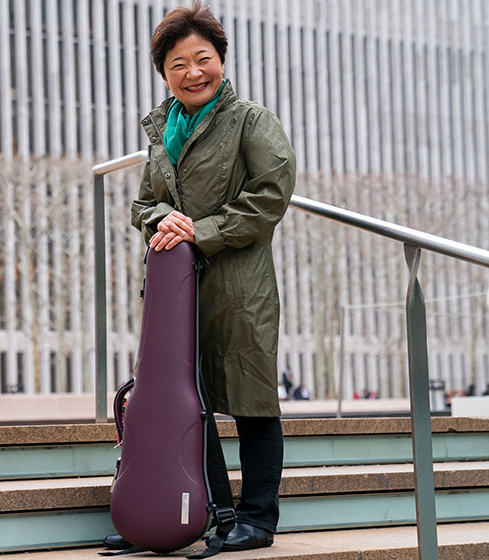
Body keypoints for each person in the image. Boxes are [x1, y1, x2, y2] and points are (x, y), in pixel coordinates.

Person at [104, 1, 296, 553]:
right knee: (189, 399)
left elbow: (270, 197)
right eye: (177, 64)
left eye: (202, 59)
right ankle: (214, 511)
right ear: (163, 73)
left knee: (253, 400)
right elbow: (146, 203)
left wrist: (199, 230)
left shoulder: (251, 120)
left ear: (221, 60)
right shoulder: (161, 129)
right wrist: (163, 220)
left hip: (240, 285)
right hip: (177, 293)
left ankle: (258, 519)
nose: (193, 73)